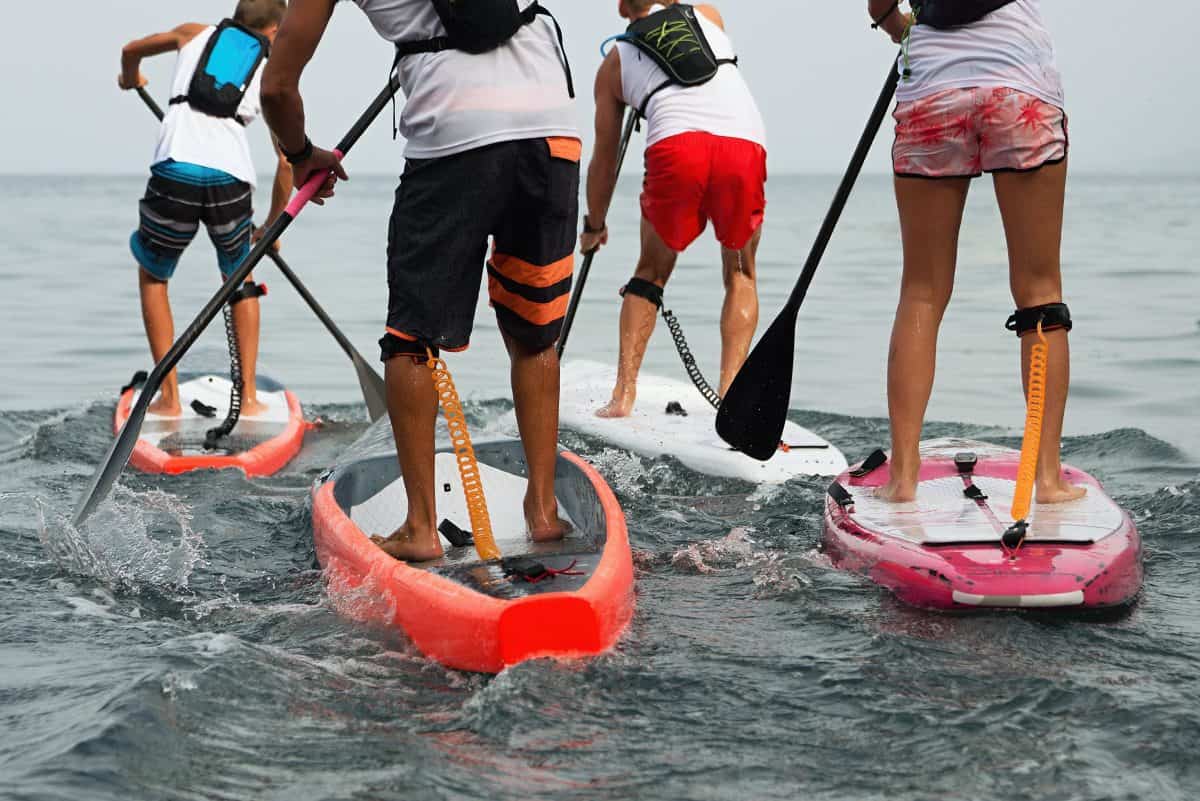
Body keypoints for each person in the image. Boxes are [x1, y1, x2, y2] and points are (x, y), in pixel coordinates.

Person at [261, 0, 579, 561]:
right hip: (551, 127)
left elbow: (277, 89)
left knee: (411, 340)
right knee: (534, 333)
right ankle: (545, 512)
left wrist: (301, 153)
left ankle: (420, 528)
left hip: (454, 135)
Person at [868, 0, 1085, 504]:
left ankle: (902, 478)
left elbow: (881, 6)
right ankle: (1046, 479)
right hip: (1018, 86)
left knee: (921, 291)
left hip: (931, 93)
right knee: (1039, 289)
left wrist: (902, 30)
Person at [579, 0, 766, 418]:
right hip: (744, 141)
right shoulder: (709, 16)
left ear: (622, 6)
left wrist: (594, 224)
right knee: (741, 272)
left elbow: (604, 160)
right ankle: (731, 399)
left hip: (678, 145)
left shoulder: (615, 63)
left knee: (650, 273)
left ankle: (623, 397)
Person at [119, 0, 293, 417]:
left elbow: (130, 51)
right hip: (230, 178)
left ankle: (169, 398)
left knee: (154, 277)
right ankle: (248, 400)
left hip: (175, 167)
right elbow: (286, 163)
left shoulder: (192, 32)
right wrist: (271, 230)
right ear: (274, 33)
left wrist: (131, 79)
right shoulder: (272, 71)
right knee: (240, 279)